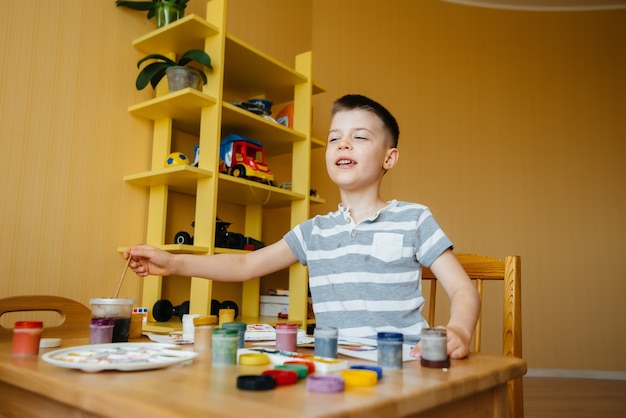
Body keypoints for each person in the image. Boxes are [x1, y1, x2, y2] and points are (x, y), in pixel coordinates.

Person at [124, 94, 480, 360]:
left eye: (360, 137)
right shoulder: (314, 232)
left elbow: (463, 291)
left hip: (405, 364)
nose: (343, 143)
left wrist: (459, 330)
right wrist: (173, 263)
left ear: (389, 157)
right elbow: (246, 265)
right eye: (335, 137)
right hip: (333, 365)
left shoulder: (414, 218)